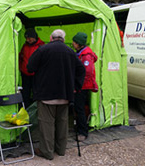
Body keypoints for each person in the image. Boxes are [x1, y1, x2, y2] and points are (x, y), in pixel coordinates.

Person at [27, 29, 85, 160]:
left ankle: (47, 152)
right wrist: (75, 87)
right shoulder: (70, 52)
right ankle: (61, 149)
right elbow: (81, 69)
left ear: (50, 38)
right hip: (65, 95)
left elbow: (30, 67)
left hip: (46, 95)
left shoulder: (43, 50)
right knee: (62, 124)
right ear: (64, 39)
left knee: (47, 124)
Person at [72, 32, 98, 142]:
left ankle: (83, 132)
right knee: (79, 107)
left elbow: (86, 73)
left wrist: (77, 86)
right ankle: (79, 128)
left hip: (83, 86)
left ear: (79, 44)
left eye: (74, 42)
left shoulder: (86, 55)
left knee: (80, 108)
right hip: (80, 85)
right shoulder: (80, 53)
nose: (72, 43)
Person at [19, 28, 44, 107]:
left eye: (29, 38)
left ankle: (35, 109)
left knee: (36, 92)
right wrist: (21, 68)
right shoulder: (25, 46)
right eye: (26, 38)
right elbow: (21, 57)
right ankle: (25, 108)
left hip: (36, 74)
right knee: (25, 92)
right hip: (25, 73)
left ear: (34, 37)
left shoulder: (41, 46)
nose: (28, 39)